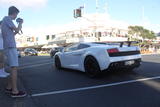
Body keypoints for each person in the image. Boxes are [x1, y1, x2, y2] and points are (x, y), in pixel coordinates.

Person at [1, 6, 26, 98]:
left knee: (12, 68)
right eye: (16, 14)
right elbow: (17, 30)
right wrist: (20, 23)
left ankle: (9, 87)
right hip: (10, 47)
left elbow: (13, 33)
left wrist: (20, 25)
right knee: (14, 68)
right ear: (14, 13)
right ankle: (15, 91)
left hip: (8, 46)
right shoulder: (7, 18)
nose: (16, 17)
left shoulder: (5, 21)